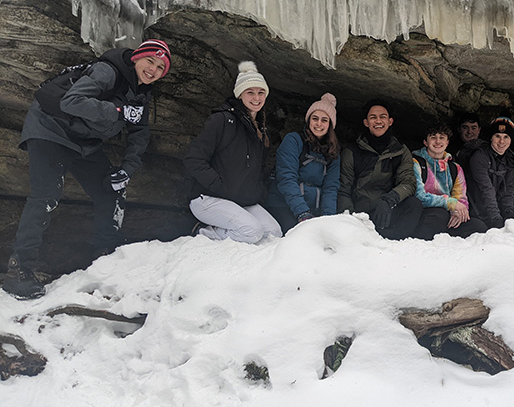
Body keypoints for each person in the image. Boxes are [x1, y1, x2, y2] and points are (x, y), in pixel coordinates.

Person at [3, 39, 172, 300]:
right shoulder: (108, 72)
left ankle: (105, 255)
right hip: (51, 130)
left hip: (84, 143)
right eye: (150, 60)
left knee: (112, 189)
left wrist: (127, 169)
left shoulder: (141, 94)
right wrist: (118, 111)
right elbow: (71, 101)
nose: (153, 69)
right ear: (137, 57)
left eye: (161, 67)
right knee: (46, 196)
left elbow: (140, 134)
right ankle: (19, 269)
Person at [183, 61, 282, 243]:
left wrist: (256, 191)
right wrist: (218, 185)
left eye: (261, 92)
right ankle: (204, 233)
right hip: (208, 198)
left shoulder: (260, 129)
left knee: (274, 233)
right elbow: (193, 159)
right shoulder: (221, 120)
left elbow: (259, 169)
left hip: (240, 200)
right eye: (250, 92)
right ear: (239, 94)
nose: (256, 98)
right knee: (251, 232)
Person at [338, 100, 423, 239]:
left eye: (383, 117)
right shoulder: (352, 151)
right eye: (373, 117)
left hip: (387, 209)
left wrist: (389, 200)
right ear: (366, 122)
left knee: (413, 205)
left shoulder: (400, 150)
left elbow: (408, 182)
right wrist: (349, 217)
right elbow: (343, 188)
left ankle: (395, 240)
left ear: (390, 121)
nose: (378, 121)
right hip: (361, 214)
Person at [266, 93, 341, 233]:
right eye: (315, 118)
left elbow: (331, 187)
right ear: (308, 120)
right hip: (283, 205)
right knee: (301, 237)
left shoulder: (333, 152)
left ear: (330, 124)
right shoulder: (294, 140)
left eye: (324, 120)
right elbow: (286, 178)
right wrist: (302, 213)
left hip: (312, 208)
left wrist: (328, 218)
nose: (319, 124)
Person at [411, 124, 487, 240]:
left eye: (442, 138)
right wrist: (449, 203)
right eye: (433, 137)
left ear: (447, 143)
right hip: (426, 214)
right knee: (439, 217)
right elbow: (419, 196)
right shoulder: (416, 163)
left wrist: (457, 212)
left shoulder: (455, 168)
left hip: (448, 215)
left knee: (478, 226)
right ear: (425, 142)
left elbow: (461, 197)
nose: (437, 141)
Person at [462, 116, 514, 229]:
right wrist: (496, 218)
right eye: (497, 136)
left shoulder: (509, 159)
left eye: (506, 137)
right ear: (491, 138)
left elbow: (508, 190)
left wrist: (508, 214)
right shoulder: (479, 157)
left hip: (497, 208)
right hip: (477, 209)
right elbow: (486, 189)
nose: (501, 141)